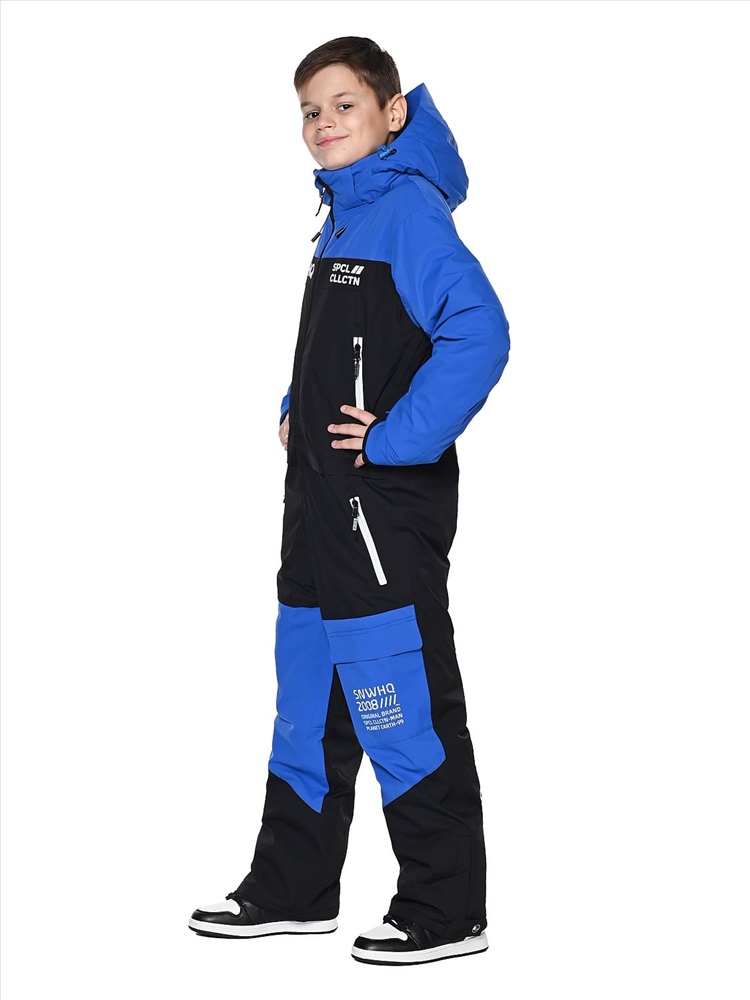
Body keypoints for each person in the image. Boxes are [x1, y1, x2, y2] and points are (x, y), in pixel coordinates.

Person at [189, 35, 510, 966]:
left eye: (343, 105)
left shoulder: (406, 210)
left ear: (391, 112)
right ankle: (292, 888)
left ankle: (445, 909)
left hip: (381, 518)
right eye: (310, 110)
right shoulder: (343, 214)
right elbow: (356, 345)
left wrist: (396, 438)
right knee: (309, 705)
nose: (323, 123)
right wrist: (297, 406)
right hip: (317, 510)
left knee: (399, 706)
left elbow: (481, 333)